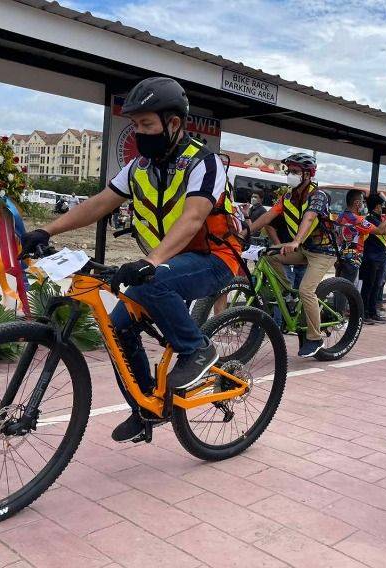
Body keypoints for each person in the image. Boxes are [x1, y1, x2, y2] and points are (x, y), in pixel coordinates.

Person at [21, 77, 241, 443]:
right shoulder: (139, 167)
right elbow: (99, 203)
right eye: (135, 125)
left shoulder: (204, 162)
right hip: (168, 261)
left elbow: (192, 219)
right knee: (119, 327)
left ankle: (198, 349)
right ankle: (146, 410)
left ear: (173, 124)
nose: (139, 132)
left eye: (147, 125)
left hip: (212, 258)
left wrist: (152, 261)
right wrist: (48, 231)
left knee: (154, 281)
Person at [246, 152, 336, 357]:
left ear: (307, 174)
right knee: (269, 257)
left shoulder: (318, 195)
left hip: (323, 252)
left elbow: (309, 217)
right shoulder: (287, 196)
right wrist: (244, 232)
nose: (290, 175)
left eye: (295, 171)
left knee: (306, 290)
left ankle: (315, 338)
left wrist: (295, 241)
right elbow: (268, 216)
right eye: (289, 171)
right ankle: (287, 292)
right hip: (304, 249)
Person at [359, 196, 386, 323]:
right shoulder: (370, 219)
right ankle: (363, 313)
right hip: (371, 257)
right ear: (377, 206)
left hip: (380, 256)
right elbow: (383, 231)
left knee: (376, 286)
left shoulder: (377, 218)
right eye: (382, 206)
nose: (383, 208)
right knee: (368, 286)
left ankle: (372, 312)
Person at [335, 190, 376, 302]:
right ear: (357, 203)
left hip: (340, 256)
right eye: (363, 201)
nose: (364, 204)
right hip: (353, 258)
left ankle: (336, 312)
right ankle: (340, 315)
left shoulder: (340, 216)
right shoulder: (357, 220)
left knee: (338, 286)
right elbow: (381, 230)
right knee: (346, 288)